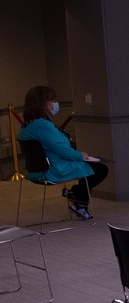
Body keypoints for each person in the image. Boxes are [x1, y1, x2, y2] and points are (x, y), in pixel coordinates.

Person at [19, 86, 108, 221]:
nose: (55, 103)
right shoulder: (42, 125)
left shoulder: (28, 124)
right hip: (50, 170)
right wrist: (81, 155)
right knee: (100, 169)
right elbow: (63, 151)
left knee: (91, 167)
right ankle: (78, 199)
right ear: (42, 103)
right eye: (52, 100)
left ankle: (76, 195)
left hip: (35, 170)